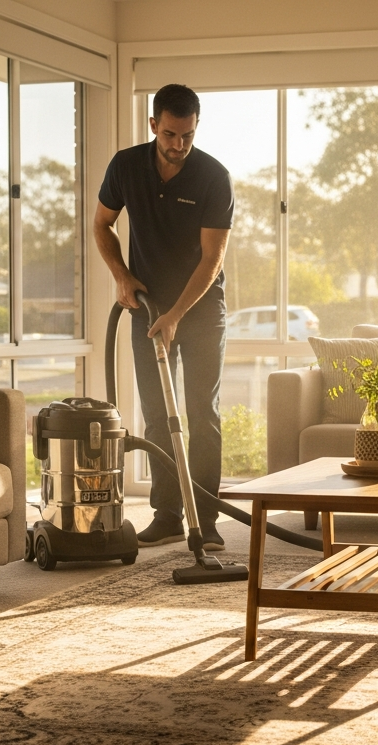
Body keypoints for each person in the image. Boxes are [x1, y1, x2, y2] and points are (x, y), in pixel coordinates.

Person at [93, 84, 234, 551]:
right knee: (156, 415)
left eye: (188, 136)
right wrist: (121, 275)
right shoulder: (125, 166)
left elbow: (212, 259)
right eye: (171, 134)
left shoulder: (214, 176)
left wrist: (176, 315)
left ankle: (207, 520)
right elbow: (101, 223)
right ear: (153, 125)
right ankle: (169, 514)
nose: (179, 146)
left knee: (201, 414)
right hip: (148, 307)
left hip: (199, 308)